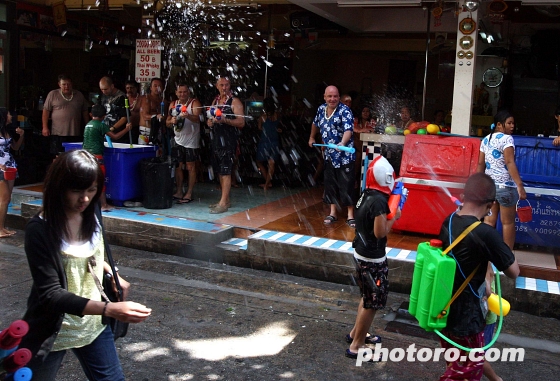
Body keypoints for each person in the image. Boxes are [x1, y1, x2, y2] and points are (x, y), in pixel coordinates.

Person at [19, 149, 152, 380]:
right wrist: (109, 309)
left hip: (93, 326)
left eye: (92, 190)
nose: (85, 199)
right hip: (53, 330)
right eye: (77, 191)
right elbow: (50, 294)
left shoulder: (92, 211)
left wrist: (112, 272)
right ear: (59, 187)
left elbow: (89, 254)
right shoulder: (39, 229)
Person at [437, 172, 519, 381]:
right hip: (467, 317)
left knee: (456, 365)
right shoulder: (485, 233)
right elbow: (513, 271)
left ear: (464, 196)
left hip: (444, 310)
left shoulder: (449, 221)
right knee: (464, 374)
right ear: (491, 204)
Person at [345, 156, 400, 360]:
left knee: (366, 297)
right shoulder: (378, 202)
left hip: (361, 252)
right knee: (372, 302)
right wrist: (395, 216)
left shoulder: (367, 194)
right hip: (372, 259)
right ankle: (356, 346)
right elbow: (380, 232)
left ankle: (355, 334)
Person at [477, 110, 527, 249]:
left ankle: (485, 254)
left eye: (513, 123)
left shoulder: (486, 139)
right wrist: (520, 185)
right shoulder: (507, 139)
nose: (512, 126)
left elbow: (480, 164)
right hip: (505, 187)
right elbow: (509, 162)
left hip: (489, 187)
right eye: (509, 123)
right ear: (499, 125)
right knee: (508, 223)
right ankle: (507, 257)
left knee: (488, 221)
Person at [308, 85, 356, 228]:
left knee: (346, 184)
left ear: (339, 97)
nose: (332, 99)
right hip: (329, 155)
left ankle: (350, 215)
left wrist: (341, 143)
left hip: (345, 155)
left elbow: (349, 130)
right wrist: (311, 137)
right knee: (330, 183)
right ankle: (333, 212)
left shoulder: (345, 111)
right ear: (325, 97)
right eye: (329, 96)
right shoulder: (321, 109)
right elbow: (315, 124)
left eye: (335, 96)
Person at [206, 76, 245, 214]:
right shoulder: (215, 101)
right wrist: (210, 122)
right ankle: (225, 200)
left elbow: (241, 122)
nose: (224, 88)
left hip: (228, 141)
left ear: (230, 86)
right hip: (216, 140)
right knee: (220, 171)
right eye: (221, 85)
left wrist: (224, 120)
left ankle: (223, 203)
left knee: (226, 170)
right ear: (217, 86)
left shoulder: (235, 101)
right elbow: (210, 119)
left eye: (227, 85)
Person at [82, 104, 132, 211]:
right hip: (97, 157)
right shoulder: (101, 125)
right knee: (100, 182)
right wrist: (127, 129)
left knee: (89, 181)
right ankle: (104, 205)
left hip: (86, 156)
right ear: (104, 116)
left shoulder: (88, 124)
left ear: (91, 115)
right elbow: (115, 136)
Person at [167, 82, 202, 204]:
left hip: (191, 140)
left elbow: (199, 119)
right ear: (176, 93)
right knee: (178, 166)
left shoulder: (194, 103)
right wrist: (171, 120)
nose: (182, 94)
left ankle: (189, 192)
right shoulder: (173, 104)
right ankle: (179, 190)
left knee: (190, 166)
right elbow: (167, 122)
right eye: (180, 92)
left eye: (185, 92)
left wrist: (188, 116)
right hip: (178, 139)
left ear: (189, 92)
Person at [42, 74, 89, 155]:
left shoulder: (79, 95)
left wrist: (87, 126)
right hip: (58, 133)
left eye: (68, 84)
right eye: (64, 84)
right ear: (59, 84)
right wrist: (45, 127)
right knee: (57, 156)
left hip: (74, 133)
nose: (66, 86)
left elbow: (85, 111)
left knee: (74, 156)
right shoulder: (53, 94)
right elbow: (46, 111)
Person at [0, 108, 24, 238]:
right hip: (0, 167)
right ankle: (0, 228)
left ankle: (3, 227)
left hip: (10, 166)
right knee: (3, 198)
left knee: (7, 198)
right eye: (9, 114)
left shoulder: (7, 131)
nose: (11, 116)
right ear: (3, 117)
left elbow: (15, 147)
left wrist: (21, 135)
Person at [256, 97, 281, 190]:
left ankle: (267, 182)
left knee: (259, 161)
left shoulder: (263, 117)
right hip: (275, 141)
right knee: (272, 163)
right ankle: (267, 183)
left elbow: (259, 128)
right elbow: (278, 126)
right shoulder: (277, 115)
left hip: (265, 142)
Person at [123, 79, 143, 144]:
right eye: (127, 88)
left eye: (131, 88)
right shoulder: (123, 98)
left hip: (137, 128)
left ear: (136, 88)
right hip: (125, 128)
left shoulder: (141, 99)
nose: (129, 90)